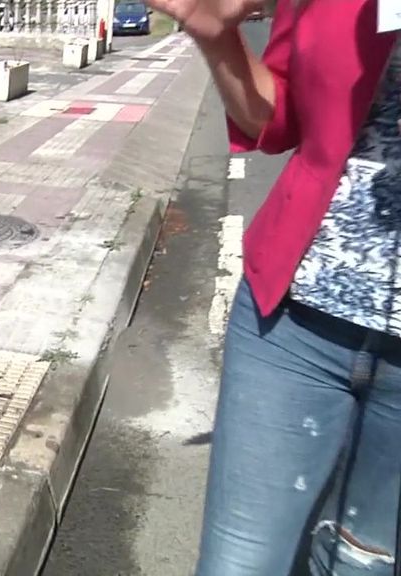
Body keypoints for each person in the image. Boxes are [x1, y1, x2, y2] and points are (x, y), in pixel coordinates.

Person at [141, 0, 401, 574]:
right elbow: (279, 116)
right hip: (291, 321)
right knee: (238, 564)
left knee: (364, 565)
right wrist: (215, 37)